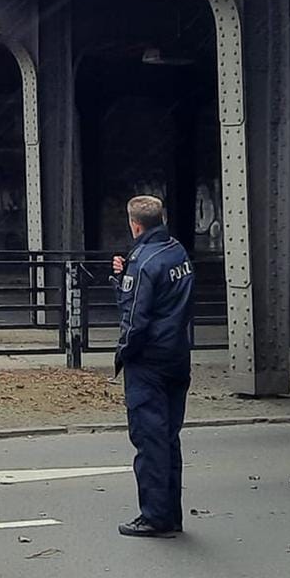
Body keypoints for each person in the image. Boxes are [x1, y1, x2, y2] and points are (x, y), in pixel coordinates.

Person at [112, 194, 195, 539]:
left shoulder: (143, 262)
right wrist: (125, 275)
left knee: (149, 439)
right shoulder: (177, 252)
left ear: (134, 224)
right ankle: (171, 514)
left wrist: (123, 354)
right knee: (169, 437)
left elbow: (135, 319)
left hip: (149, 362)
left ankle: (154, 517)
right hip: (178, 355)